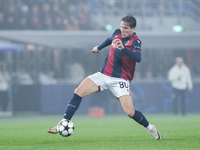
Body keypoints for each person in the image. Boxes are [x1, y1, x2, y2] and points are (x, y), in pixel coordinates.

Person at [47, 15, 161, 140]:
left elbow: (138, 58)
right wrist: (98, 47)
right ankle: (63, 123)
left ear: (133, 28)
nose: (122, 30)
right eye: (121, 27)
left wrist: (123, 49)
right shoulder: (117, 33)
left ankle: (150, 127)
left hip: (120, 79)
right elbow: (109, 39)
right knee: (78, 91)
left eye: (126, 28)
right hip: (103, 75)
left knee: (129, 112)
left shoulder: (136, 42)